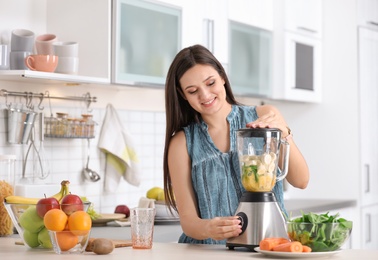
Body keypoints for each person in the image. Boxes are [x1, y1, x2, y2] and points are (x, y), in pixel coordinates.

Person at [163, 44, 310, 245]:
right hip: (208, 253)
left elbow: (301, 181)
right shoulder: (181, 143)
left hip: (269, 247)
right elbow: (189, 223)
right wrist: (208, 228)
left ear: (223, 77)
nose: (205, 95)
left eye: (210, 82)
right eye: (192, 91)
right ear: (183, 95)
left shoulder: (264, 115)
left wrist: (284, 133)